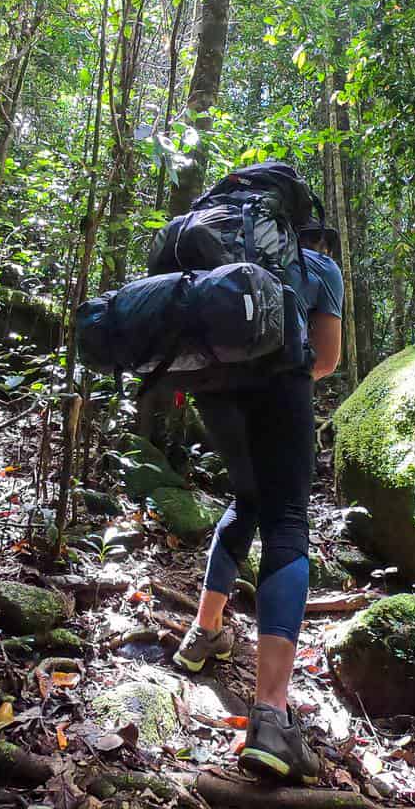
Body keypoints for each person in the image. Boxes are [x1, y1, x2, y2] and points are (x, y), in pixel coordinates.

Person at [171, 220, 344, 785]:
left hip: (214, 388)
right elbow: (326, 359)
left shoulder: (222, 261)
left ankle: (203, 633)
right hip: (281, 385)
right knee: (287, 514)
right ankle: (270, 714)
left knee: (245, 498)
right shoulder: (321, 269)